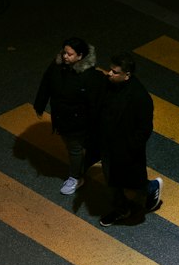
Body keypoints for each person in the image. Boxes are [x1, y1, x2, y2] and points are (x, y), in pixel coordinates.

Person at [33, 37, 105, 195]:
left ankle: (76, 177)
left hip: (77, 121)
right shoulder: (58, 65)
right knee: (72, 145)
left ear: (80, 56)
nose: (65, 56)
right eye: (64, 52)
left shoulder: (89, 76)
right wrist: (40, 103)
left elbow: (94, 103)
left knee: (74, 148)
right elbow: (46, 81)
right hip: (61, 116)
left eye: (70, 54)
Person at [97, 52, 163, 225]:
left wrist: (129, 148)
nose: (110, 73)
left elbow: (144, 129)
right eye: (110, 70)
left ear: (127, 75)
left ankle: (150, 189)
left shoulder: (140, 97)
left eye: (115, 72)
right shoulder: (107, 84)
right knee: (112, 181)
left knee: (133, 184)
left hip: (126, 149)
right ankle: (121, 209)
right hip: (107, 145)